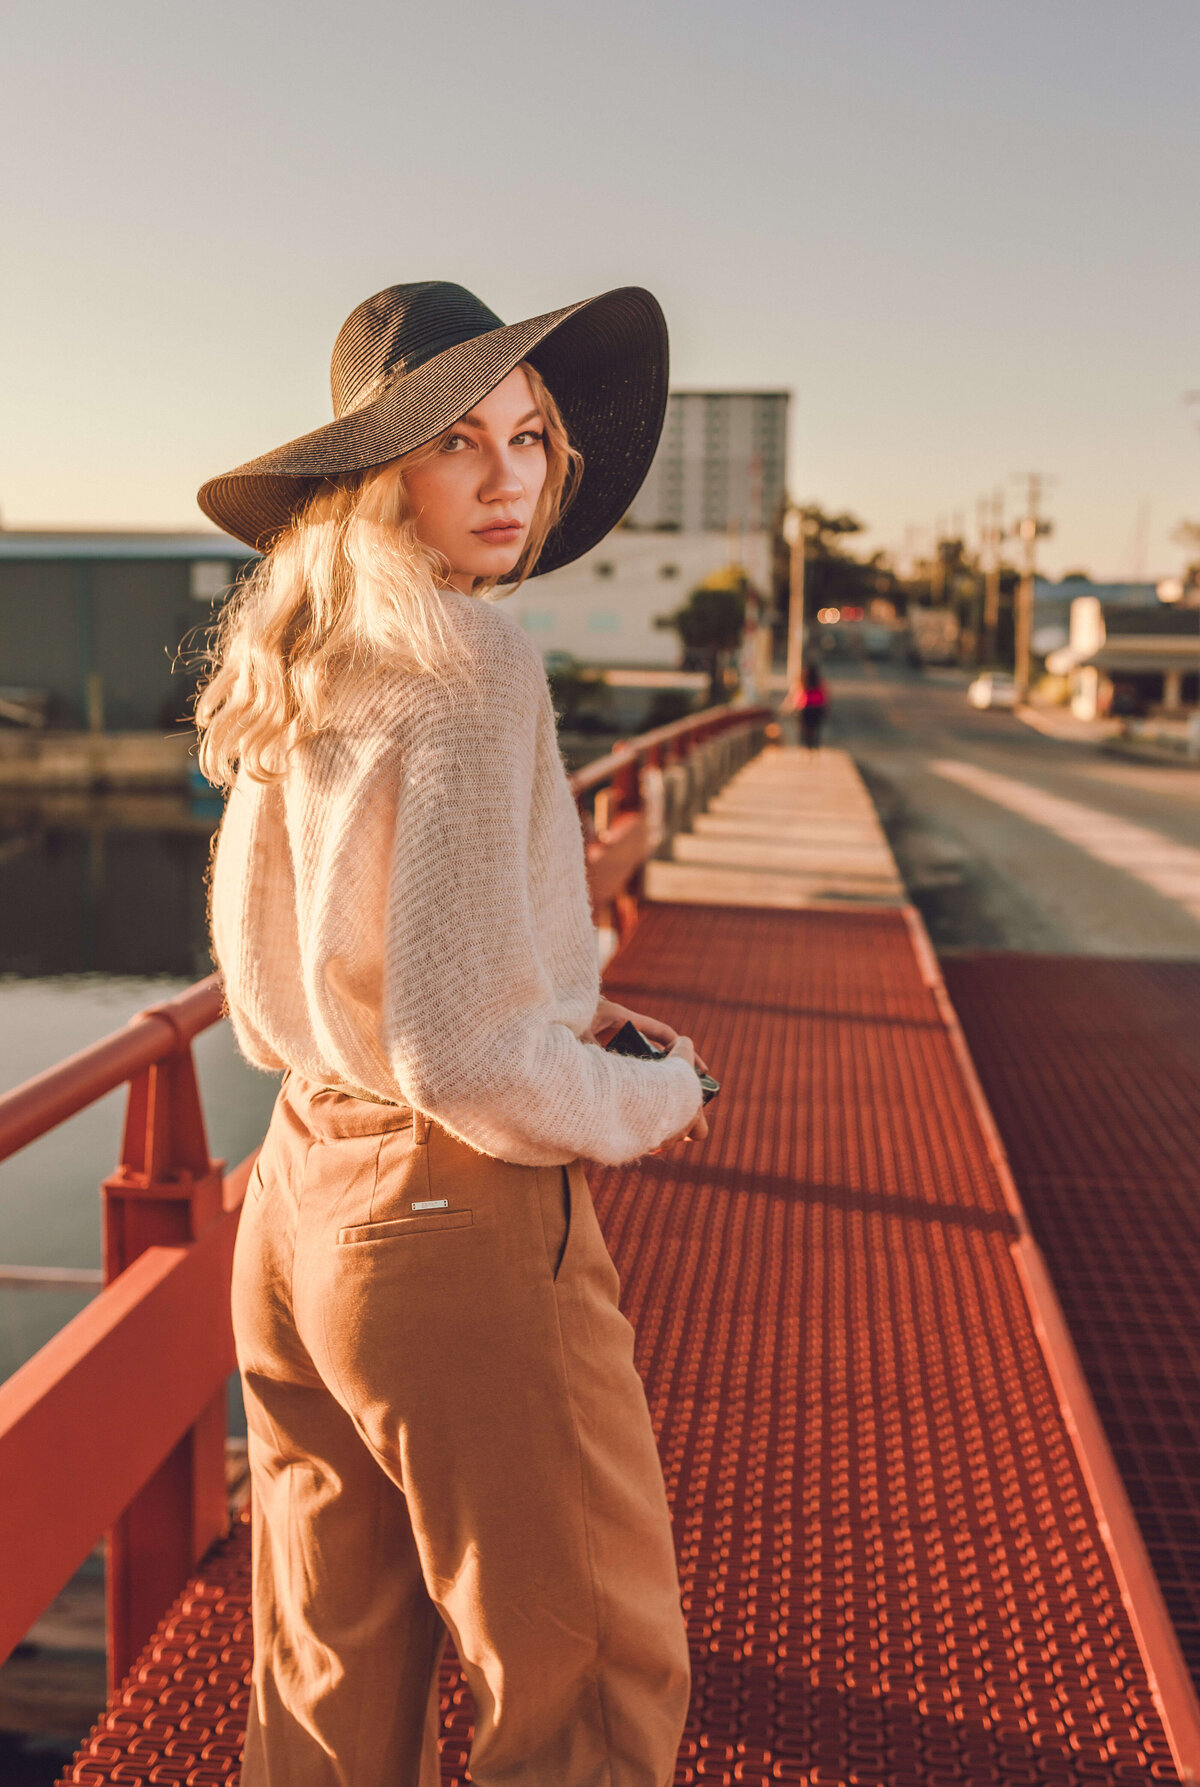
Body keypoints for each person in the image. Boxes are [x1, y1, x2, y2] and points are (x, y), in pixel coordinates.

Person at [193, 281, 711, 1787]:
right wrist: (657, 1092)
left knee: (327, 1674)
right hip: (450, 1216)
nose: (507, 479)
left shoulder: (302, 654)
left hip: (298, 1202)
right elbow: (467, 1057)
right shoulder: (474, 668)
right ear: (384, 474)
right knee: (591, 1683)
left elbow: (272, 985)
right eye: (457, 443)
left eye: (530, 438)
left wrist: (564, 1004)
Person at [789, 659, 828, 750]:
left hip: (805, 709)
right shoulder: (819, 681)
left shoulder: (802, 680)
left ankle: (804, 746)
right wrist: (825, 707)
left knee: (804, 728)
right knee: (815, 728)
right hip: (817, 708)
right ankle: (814, 746)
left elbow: (797, 695)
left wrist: (793, 707)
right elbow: (825, 694)